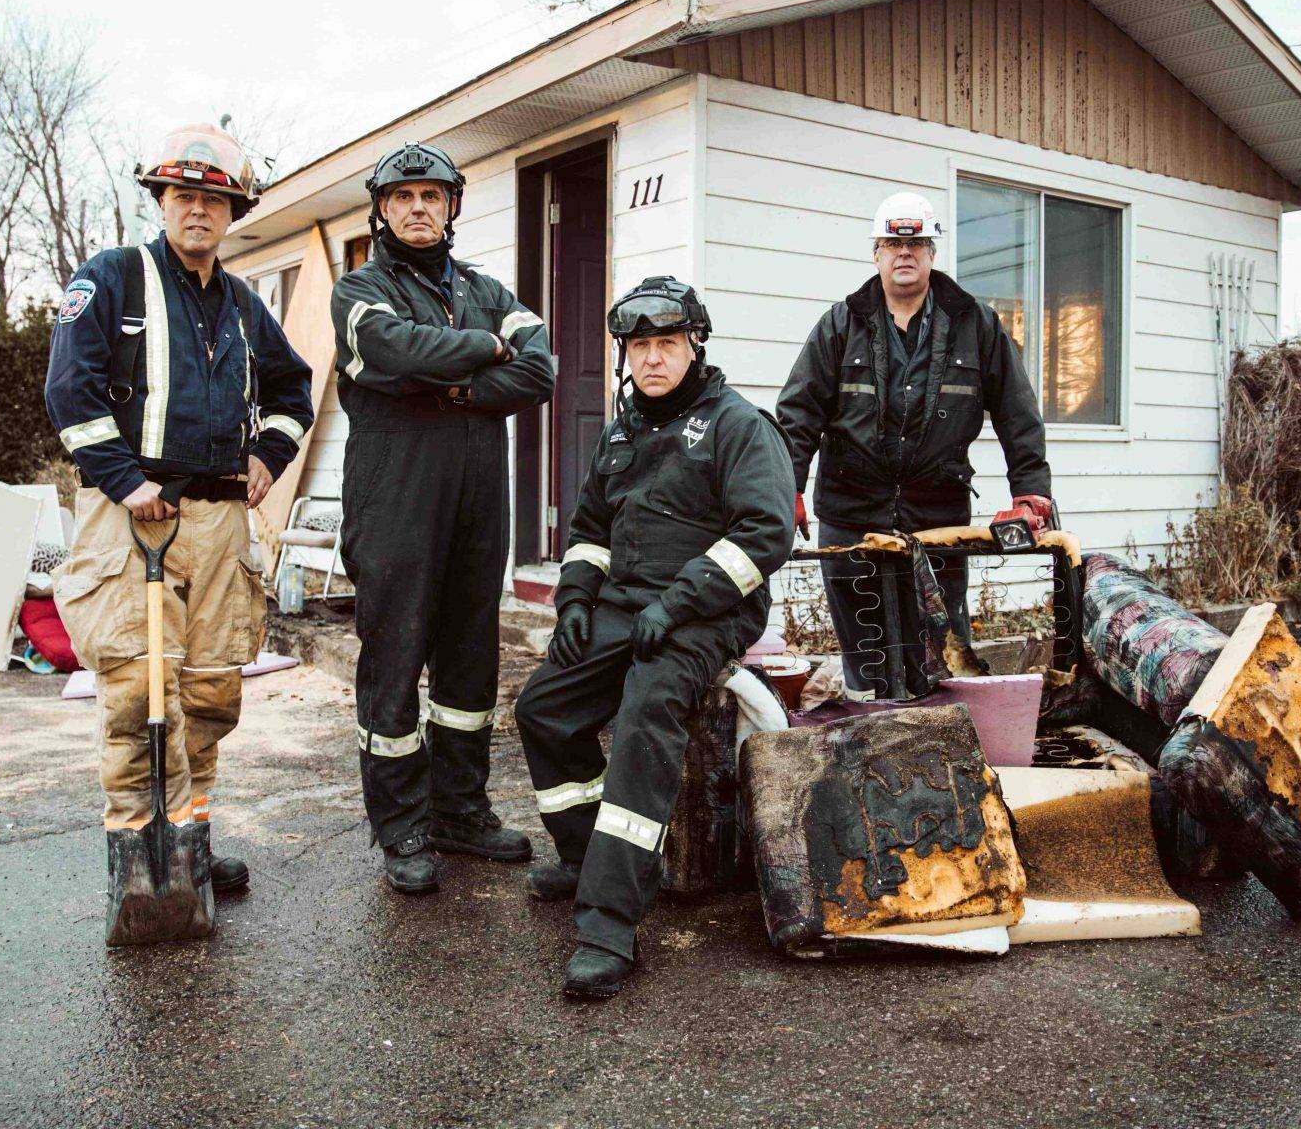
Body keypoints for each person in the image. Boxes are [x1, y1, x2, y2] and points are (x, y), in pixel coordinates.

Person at [46, 121, 313, 894]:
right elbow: (70, 390)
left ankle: (190, 841)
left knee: (206, 690)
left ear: (233, 214)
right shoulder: (112, 278)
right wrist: (123, 479)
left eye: (214, 200)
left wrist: (268, 457)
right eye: (184, 196)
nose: (198, 211)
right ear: (161, 202)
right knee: (137, 687)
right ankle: (137, 859)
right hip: (131, 517)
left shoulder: (241, 302)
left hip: (217, 521)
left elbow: (292, 390)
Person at [514, 277, 795, 999]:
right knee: (543, 707)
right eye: (639, 346)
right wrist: (575, 602)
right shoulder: (623, 429)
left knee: (644, 718)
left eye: (667, 344)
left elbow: (766, 532)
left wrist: (678, 606)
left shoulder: (738, 425)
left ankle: (609, 924)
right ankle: (585, 857)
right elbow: (588, 532)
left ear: (694, 344)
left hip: (706, 609)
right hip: (625, 605)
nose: (652, 359)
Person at [330, 141, 556, 895]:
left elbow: (539, 369)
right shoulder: (359, 289)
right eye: (404, 198)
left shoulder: (489, 288)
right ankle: (402, 826)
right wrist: (483, 350)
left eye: (433, 195)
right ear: (383, 210)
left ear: (453, 206)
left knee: (469, 663)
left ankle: (460, 812)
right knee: (393, 664)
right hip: (393, 500)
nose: (419, 208)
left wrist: (455, 385)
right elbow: (391, 350)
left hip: (476, 504)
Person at [776, 191, 1053, 699]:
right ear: (876, 253)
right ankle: (873, 743)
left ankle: (945, 758)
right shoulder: (841, 324)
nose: (904, 253)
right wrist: (785, 489)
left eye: (916, 243)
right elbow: (797, 416)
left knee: (944, 653)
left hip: (938, 516)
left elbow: (1019, 414)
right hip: (851, 512)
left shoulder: (976, 324)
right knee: (866, 659)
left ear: (932, 252)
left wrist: (1029, 494)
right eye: (891, 243)